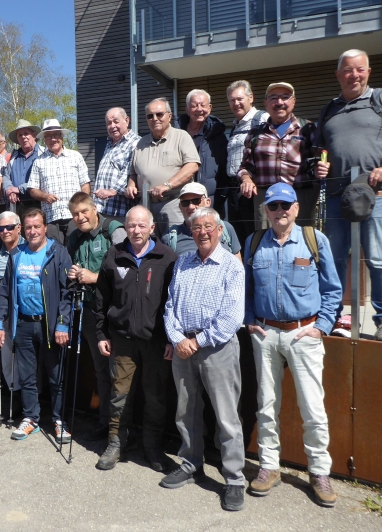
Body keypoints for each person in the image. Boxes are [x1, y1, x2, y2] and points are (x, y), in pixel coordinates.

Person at [243, 182, 342, 508]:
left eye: (285, 205)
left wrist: (321, 327)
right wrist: (250, 321)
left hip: (304, 332)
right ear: (266, 211)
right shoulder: (254, 242)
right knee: (266, 404)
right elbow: (246, 289)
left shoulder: (315, 240)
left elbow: (332, 289)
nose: (279, 211)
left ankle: (319, 471)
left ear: (296, 209)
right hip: (266, 333)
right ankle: (269, 466)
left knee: (312, 407)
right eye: (273, 206)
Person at [317, 49, 382, 342]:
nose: (354, 75)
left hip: (374, 195)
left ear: (368, 72)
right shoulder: (329, 109)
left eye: (360, 69)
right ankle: (330, 316)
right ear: (338, 75)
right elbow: (322, 149)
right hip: (336, 196)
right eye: (348, 70)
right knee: (333, 260)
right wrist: (321, 165)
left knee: (379, 260)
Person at [161, 206, 246, 512]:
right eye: (196, 228)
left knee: (226, 417)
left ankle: (234, 479)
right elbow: (170, 306)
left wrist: (196, 341)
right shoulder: (183, 262)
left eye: (208, 227)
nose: (203, 233)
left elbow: (232, 317)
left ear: (220, 230)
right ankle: (190, 463)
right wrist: (177, 339)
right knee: (186, 412)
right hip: (183, 347)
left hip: (216, 348)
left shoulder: (232, 266)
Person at [94, 205, 177, 472]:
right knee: (119, 395)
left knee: (155, 396)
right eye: (131, 225)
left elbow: (173, 302)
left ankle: (152, 446)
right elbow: (101, 298)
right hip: (122, 339)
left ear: (152, 228)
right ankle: (116, 443)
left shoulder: (167, 257)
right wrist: (101, 333)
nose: (136, 230)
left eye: (142, 225)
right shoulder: (114, 255)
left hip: (155, 341)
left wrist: (170, 339)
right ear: (125, 228)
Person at [0, 208, 73, 444]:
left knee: (55, 376)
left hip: (50, 325)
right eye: (28, 227)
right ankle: (31, 418)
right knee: (27, 376)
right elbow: (5, 292)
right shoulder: (16, 255)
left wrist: (62, 325)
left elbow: (67, 292)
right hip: (24, 324)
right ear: (23, 230)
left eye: (37, 226)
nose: (33, 231)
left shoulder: (58, 252)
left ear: (45, 227)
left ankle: (59, 420)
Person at [66, 192, 127, 441]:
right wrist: (73, 273)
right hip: (91, 311)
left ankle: (121, 428)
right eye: (75, 214)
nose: (80, 217)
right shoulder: (75, 237)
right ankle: (105, 423)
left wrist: (95, 277)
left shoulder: (113, 230)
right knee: (101, 371)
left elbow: (126, 270)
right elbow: (70, 268)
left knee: (120, 373)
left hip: (116, 312)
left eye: (84, 211)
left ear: (94, 209)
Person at [238, 83, 329, 228]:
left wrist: (321, 167)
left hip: (300, 196)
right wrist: (246, 179)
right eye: (273, 98)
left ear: (294, 101)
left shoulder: (307, 128)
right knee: (265, 239)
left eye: (285, 97)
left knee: (302, 238)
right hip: (266, 198)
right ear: (265, 103)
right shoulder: (255, 133)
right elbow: (245, 167)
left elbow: (319, 161)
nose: (279, 102)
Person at [126, 98, 200, 236]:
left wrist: (167, 185)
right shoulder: (141, 143)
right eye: (150, 116)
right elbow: (133, 173)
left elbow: (192, 166)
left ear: (169, 116)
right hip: (146, 205)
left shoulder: (181, 137)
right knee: (149, 246)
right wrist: (131, 185)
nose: (155, 119)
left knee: (175, 243)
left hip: (173, 204)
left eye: (159, 114)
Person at [27, 118, 91, 245]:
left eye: (56, 135)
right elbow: (32, 189)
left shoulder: (76, 156)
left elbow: (85, 184)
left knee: (76, 248)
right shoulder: (39, 162)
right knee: (55, 251)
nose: (53, 139)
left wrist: (83, 207)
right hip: (51, 217)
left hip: (74, 215)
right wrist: (45, 196)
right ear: (44, 140)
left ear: (62, 136)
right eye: (48, 136)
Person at [226, 80, 269, 243]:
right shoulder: (235, 126)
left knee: (255, 235)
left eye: (239, 99)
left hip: (253, 189)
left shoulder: (262, 119)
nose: (236, 103)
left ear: (251, 98)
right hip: (234, 190)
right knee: (239, 237)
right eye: (232, 100)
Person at [0, 211, 25, 394]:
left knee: (26, 355)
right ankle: (13, 394)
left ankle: (29, 395)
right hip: (3, 310)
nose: (5, 231)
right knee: (6, 355)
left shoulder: (30, 248)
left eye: (9, 227)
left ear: (19, 228)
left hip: (25, 309)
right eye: (1, 228)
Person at [179, 90, 228, 217]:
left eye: (203, 105)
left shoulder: (218, 136)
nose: (199, 109)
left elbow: (224, 171)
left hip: (210, 201)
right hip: (181, 201)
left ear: (210, 108)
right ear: (187, 109)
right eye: (194, 105)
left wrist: (221, 197)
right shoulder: (177, 134)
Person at [162, 182, 241, 259]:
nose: (191, 207)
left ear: (208, 202)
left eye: (196, 201)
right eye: (185, 202)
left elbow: (238, 264)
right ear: (180, 207)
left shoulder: (225, 228)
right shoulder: (170, 237)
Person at [93, 107, 140, 221]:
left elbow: (130, 170)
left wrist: (112, 191)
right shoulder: (109, 143)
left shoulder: (136, 143)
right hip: (101, 208)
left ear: (127, 120)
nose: (112, 126)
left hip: (120, 211)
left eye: (116, 121)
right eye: (109, 123)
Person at [2, 119, 44, 220]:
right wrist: (10, 190)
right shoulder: (14, 157)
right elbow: (6, 176)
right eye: (20, 135)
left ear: (34, 135)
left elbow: (42, 179)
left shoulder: (43, 154)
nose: (23, 137)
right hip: (16, 205)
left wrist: (19, 189)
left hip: (37, 203)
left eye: (26, 133)